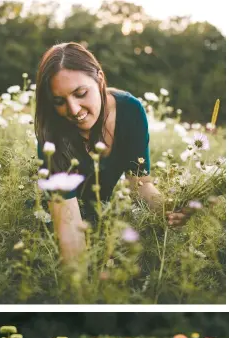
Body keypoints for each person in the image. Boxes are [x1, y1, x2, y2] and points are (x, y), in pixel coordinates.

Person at [35, 42, 187, 263]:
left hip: (104, 216)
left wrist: (172, 210)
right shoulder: (52, 133)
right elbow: (67, 225)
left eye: (80, 93)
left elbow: (139, 185)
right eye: (59, 101)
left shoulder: (130, 111)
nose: (73, 110)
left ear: (100, 78)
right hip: (54, 221)